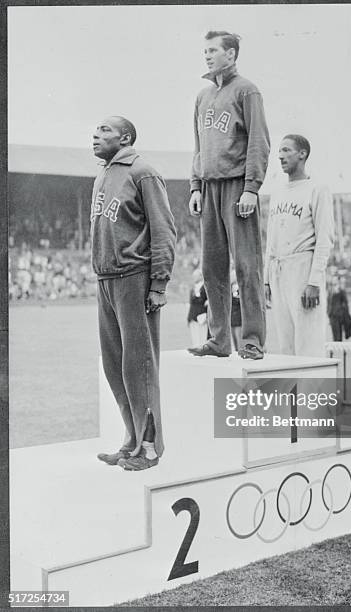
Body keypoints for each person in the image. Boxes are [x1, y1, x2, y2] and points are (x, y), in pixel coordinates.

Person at [91, 116, 176, 471]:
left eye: (105, 130)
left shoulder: (143, 172)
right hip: (106, 279)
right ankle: (131, 438)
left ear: (125, 137)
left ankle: (151, 448)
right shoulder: (102, 174)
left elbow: (165, 231)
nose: (96, 135)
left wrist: (158, 284)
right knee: (116, 367)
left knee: (139, 366)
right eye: (96, 130)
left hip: (134, 278)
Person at [188, 30, 270, 360]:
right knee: (212, 268)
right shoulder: (202, 96)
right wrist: (195, 185)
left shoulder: (247, 90)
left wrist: (252, 188)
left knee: (247, 267)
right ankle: (219, 340)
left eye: (213, 50)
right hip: (209, 188)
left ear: (232, 54)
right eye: (204, 50)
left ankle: (251, 341)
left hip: (238, 186)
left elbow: (258, 142)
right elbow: (199, 147)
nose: (207, 55)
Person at [264, 134, 334, 357]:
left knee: (309, 343)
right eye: (279, 152)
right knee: (286, 345)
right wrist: (266, 280)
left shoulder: (318, 188)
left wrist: (313, 281)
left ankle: (313, 392)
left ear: (302, 154)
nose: (280, 156)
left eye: (286, 150)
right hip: (278, 269)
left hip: (303, 268)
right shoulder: (277, 192)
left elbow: (325, 239)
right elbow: (270, 240)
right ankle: (291, 393)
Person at [327, 276, 351, 341]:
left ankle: (341, 348)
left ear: (338, 281)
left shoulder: (341, 290)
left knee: (339, 333)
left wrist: (345, 314)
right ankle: (335, 348)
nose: (333, 281)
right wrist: (328, 313)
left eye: (335, 280)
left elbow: (345, 303)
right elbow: (328, 303)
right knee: (334, 332)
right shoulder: (330, 290)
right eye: (333, 280)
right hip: (332, 315)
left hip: (340, 315)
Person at [187, 268, 208, 347]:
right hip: (193, 314)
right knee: (194, 335)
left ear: (200, 276)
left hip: (202, 314)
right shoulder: (193, 288)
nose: (194, 278)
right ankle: (195, 348)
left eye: (196, 276)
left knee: (202, 335)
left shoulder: (205, 287)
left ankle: (202, 348)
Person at [230, 269, 242, 351]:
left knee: (239, 339)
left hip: (239, 317)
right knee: (234, 339)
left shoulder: (240, 287)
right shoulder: (229, 288)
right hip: (231, 318)